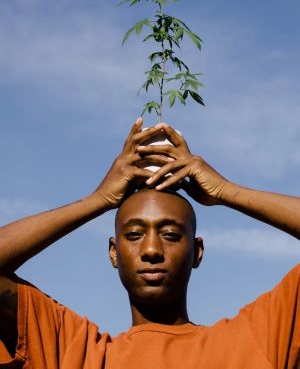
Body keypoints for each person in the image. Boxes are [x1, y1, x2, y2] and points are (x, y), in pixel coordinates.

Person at [0, 119, 299, 368]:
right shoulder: (74, 352)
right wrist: (98, 200)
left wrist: (224, 190)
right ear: (113, 253)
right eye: (133, 235)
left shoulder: (255, 340)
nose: (152, 250)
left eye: (170, 234)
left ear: (197, 252)